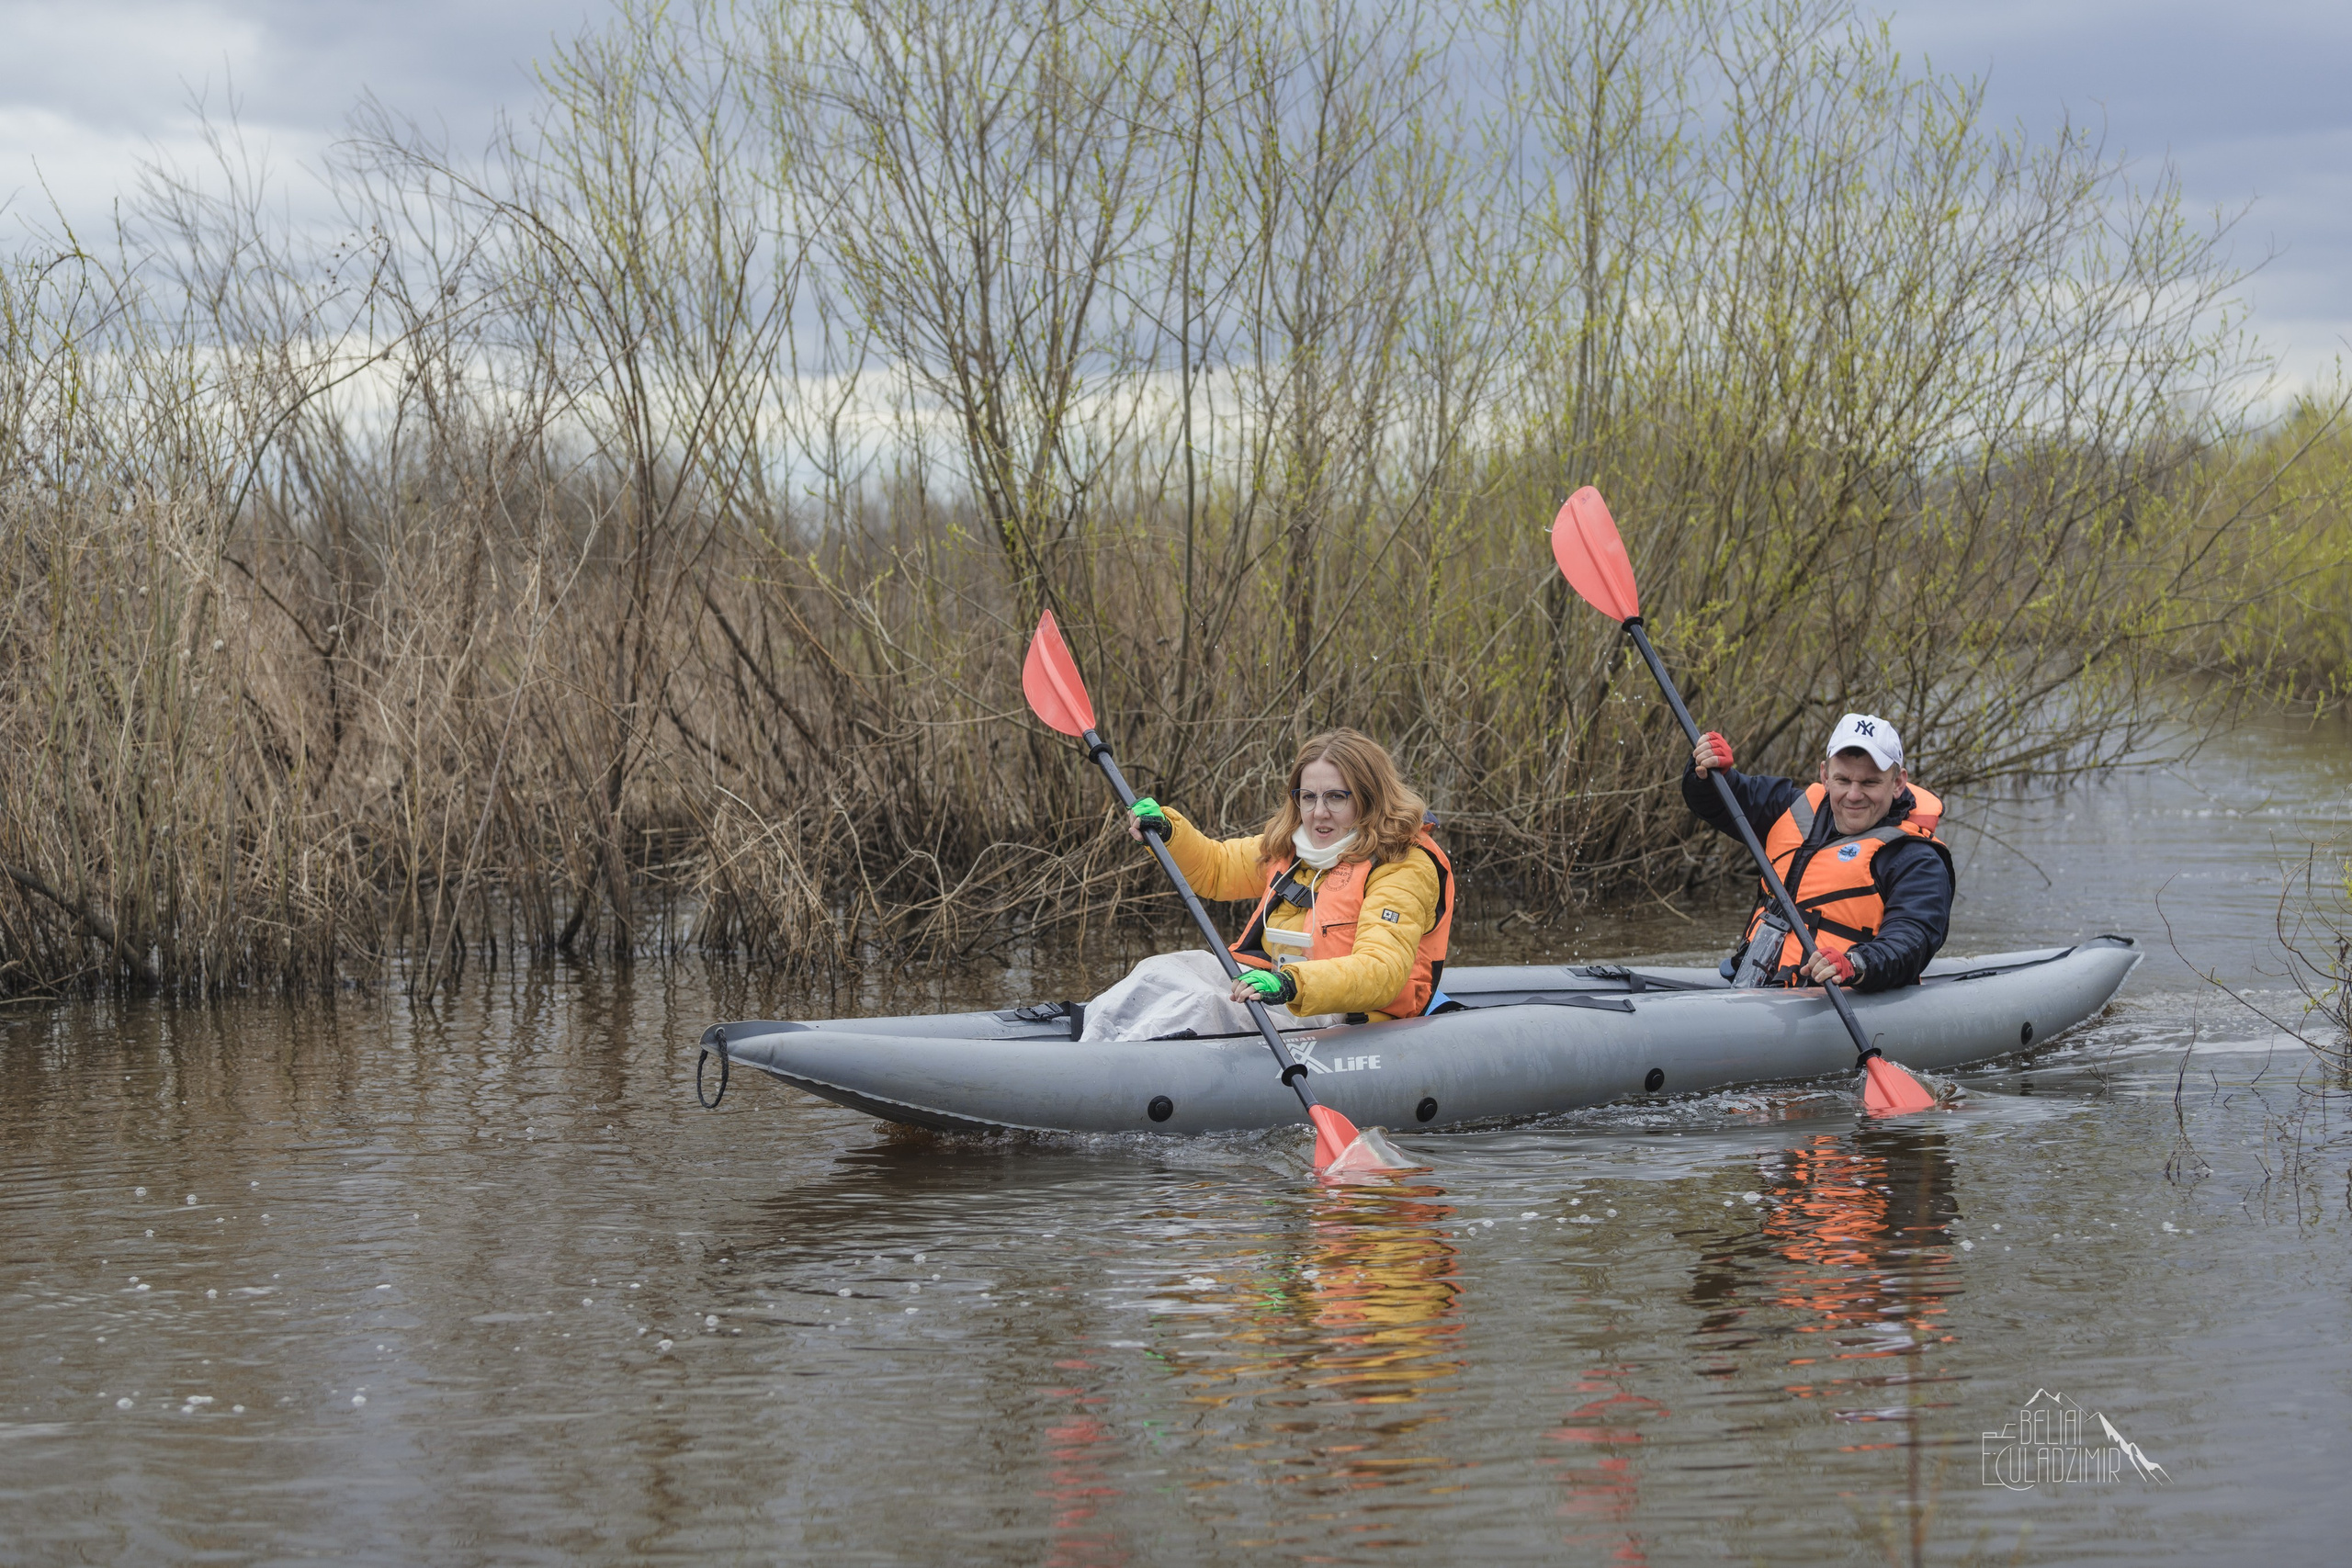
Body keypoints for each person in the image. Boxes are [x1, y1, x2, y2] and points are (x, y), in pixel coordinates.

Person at [1081, 728, 1453, 1041]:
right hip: (1274, 986)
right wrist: (1167, 832)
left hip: (1343, 1012)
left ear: (1371, 798)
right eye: (1309, 797)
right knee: (1159, 969)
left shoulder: (1403, 865)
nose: (1318, 813)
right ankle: (1088, 1051)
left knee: (1207, 1005)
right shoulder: (1292, 845)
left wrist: (1292, 984)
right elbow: (1216, 867)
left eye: (1336, 797)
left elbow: (1381, 971)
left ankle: (1117, 1070)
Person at [1685, 712, 1953, 991]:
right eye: (1843, 780)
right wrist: (1706, 769)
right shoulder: (1790, 807)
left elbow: (1911, 939)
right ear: (1825, 776)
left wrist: (1856, 963)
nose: (1853, 795)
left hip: (1838, 996)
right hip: (1758, 984)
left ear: (1898, 783)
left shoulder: (1917, 860)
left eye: (1869, 783)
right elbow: (1717, 798)